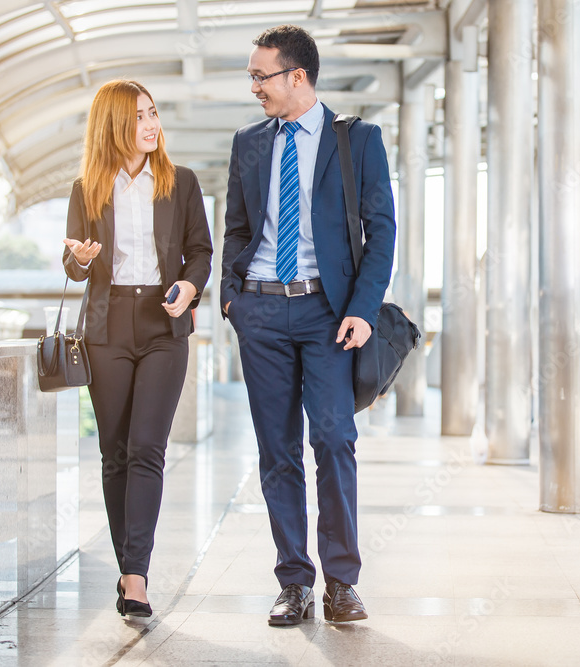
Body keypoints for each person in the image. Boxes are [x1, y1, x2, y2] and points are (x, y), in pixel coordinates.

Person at [220, 25, 395, 625]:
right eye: (252, 77)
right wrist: (230, 299)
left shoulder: (358, 140)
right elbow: (238, 229)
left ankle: (341, 582)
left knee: (333, 438)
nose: (254, 87)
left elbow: (382, 232)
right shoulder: (248, 142)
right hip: (262, 309)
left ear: (298, 76)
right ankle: (292, 580)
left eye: (260, 76)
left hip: (328, 312)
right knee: (277, 450)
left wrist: (363, 310)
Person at [62, 79, 212, 618]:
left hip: (162, 321)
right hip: (107, 324)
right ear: (114, 126)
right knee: (115, 452)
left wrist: (190, 287)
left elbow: (201, 251)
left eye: (153, 113)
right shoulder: (88, 188)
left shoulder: (182, 182)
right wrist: (81, 256)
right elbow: (73, 265)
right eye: (139, 116)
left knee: (147, 447)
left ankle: (135, 576)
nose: (151, 125)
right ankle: (129, 568)